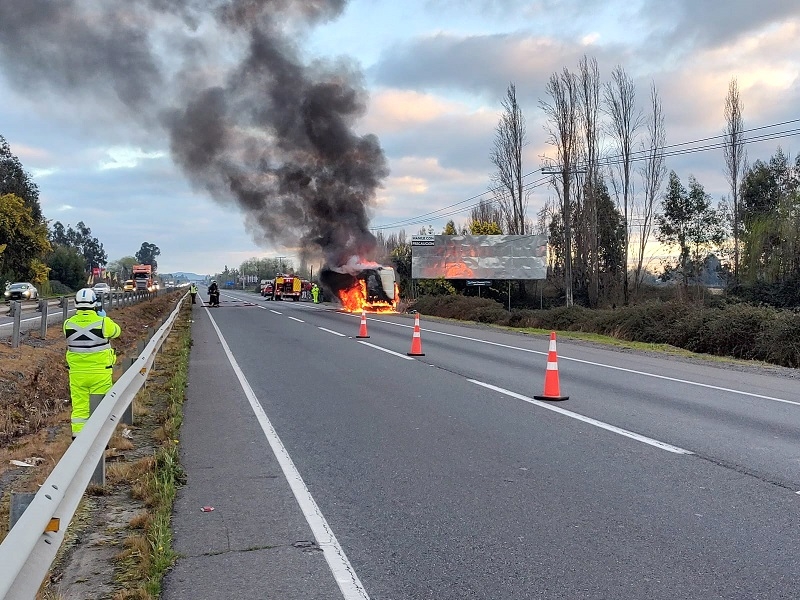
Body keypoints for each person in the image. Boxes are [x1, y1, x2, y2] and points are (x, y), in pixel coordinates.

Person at [63, 288, 121, 439]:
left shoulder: (68, 324)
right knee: (101, 407)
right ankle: (100, 438)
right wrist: (104, 317)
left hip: (77, 374)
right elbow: (117, 332)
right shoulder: (103, 322)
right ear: (95, 303)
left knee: (80, 406)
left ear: (75, 304)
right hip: (100, 373)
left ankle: (78, 437)